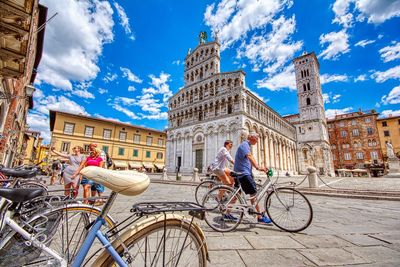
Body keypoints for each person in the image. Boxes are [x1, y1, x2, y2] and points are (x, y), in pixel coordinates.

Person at [234, 131, 272, 224]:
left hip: (242, 173)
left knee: (236, 194)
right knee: (253, 194)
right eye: (257, 138)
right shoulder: (244, 145)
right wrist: (258, 167)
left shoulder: (247, 145)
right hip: (243, 174)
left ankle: (226, 213)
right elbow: (250, 156)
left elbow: (250, 158)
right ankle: (259, 217)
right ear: (251, 137)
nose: (258, 140)